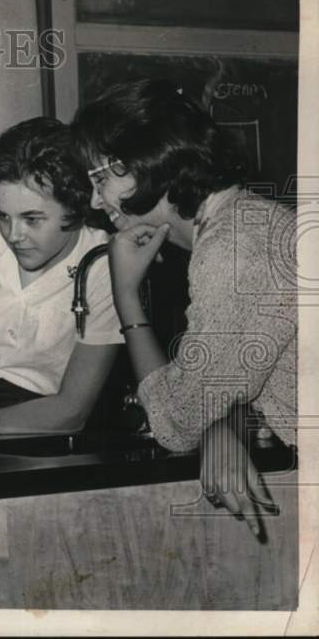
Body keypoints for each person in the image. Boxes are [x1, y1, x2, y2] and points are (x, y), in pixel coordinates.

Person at [73, 78, 297, 537]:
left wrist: (126, 296)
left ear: (149, 163)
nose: (95, 201)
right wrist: (219, 426)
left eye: (101, 178)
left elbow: (176, 421)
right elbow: (237, 377)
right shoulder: (250, 222)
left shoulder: (233, 249)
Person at [0, 117, 122, 435]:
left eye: (32, 219)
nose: (14, 235)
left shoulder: (104, 263)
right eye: (3, 216)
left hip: (43, 423)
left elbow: (72, 411)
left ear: (75, 207)